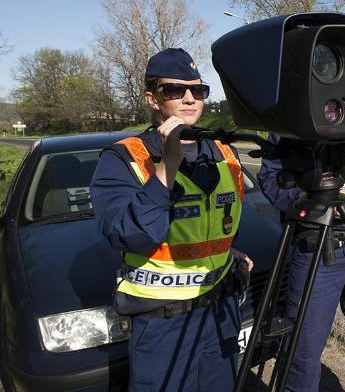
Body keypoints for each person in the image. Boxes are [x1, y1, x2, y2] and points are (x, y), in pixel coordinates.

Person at [91, 48, 253, 391]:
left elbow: (220, 222)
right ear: (152, 98)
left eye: (199, 90)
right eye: (175, 90)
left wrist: (229, 252)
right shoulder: (123, 158)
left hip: (220, 312)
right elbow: (132, 235)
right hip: (163, 322)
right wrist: (167, 166)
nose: (190, 99)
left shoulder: (225, 152)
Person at [258, 133, 345, 392]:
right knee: (302, 346)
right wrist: (313, 206)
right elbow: (270, 178)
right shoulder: (297, 114)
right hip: (316, 244)